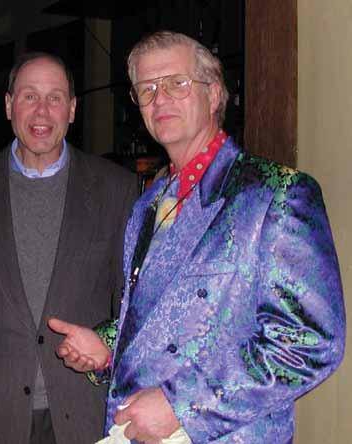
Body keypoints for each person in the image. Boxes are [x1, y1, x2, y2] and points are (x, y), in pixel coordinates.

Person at [48, 31, 346, 444]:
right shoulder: (149, 203)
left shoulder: (275, 193)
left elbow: (311, 341)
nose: (160, 99)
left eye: (177, 83)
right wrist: (107, 344)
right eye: (147, 89)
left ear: (215, 93)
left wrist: (181, 406)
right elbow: (164, 316)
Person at [0, 51, 137, 444]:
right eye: (29, 96)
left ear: (72, 109)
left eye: (54, 98)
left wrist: (116, 361)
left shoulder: (117, 189)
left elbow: (132, 304)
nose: (41, 111)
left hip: (85, 407)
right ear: (8, 105)